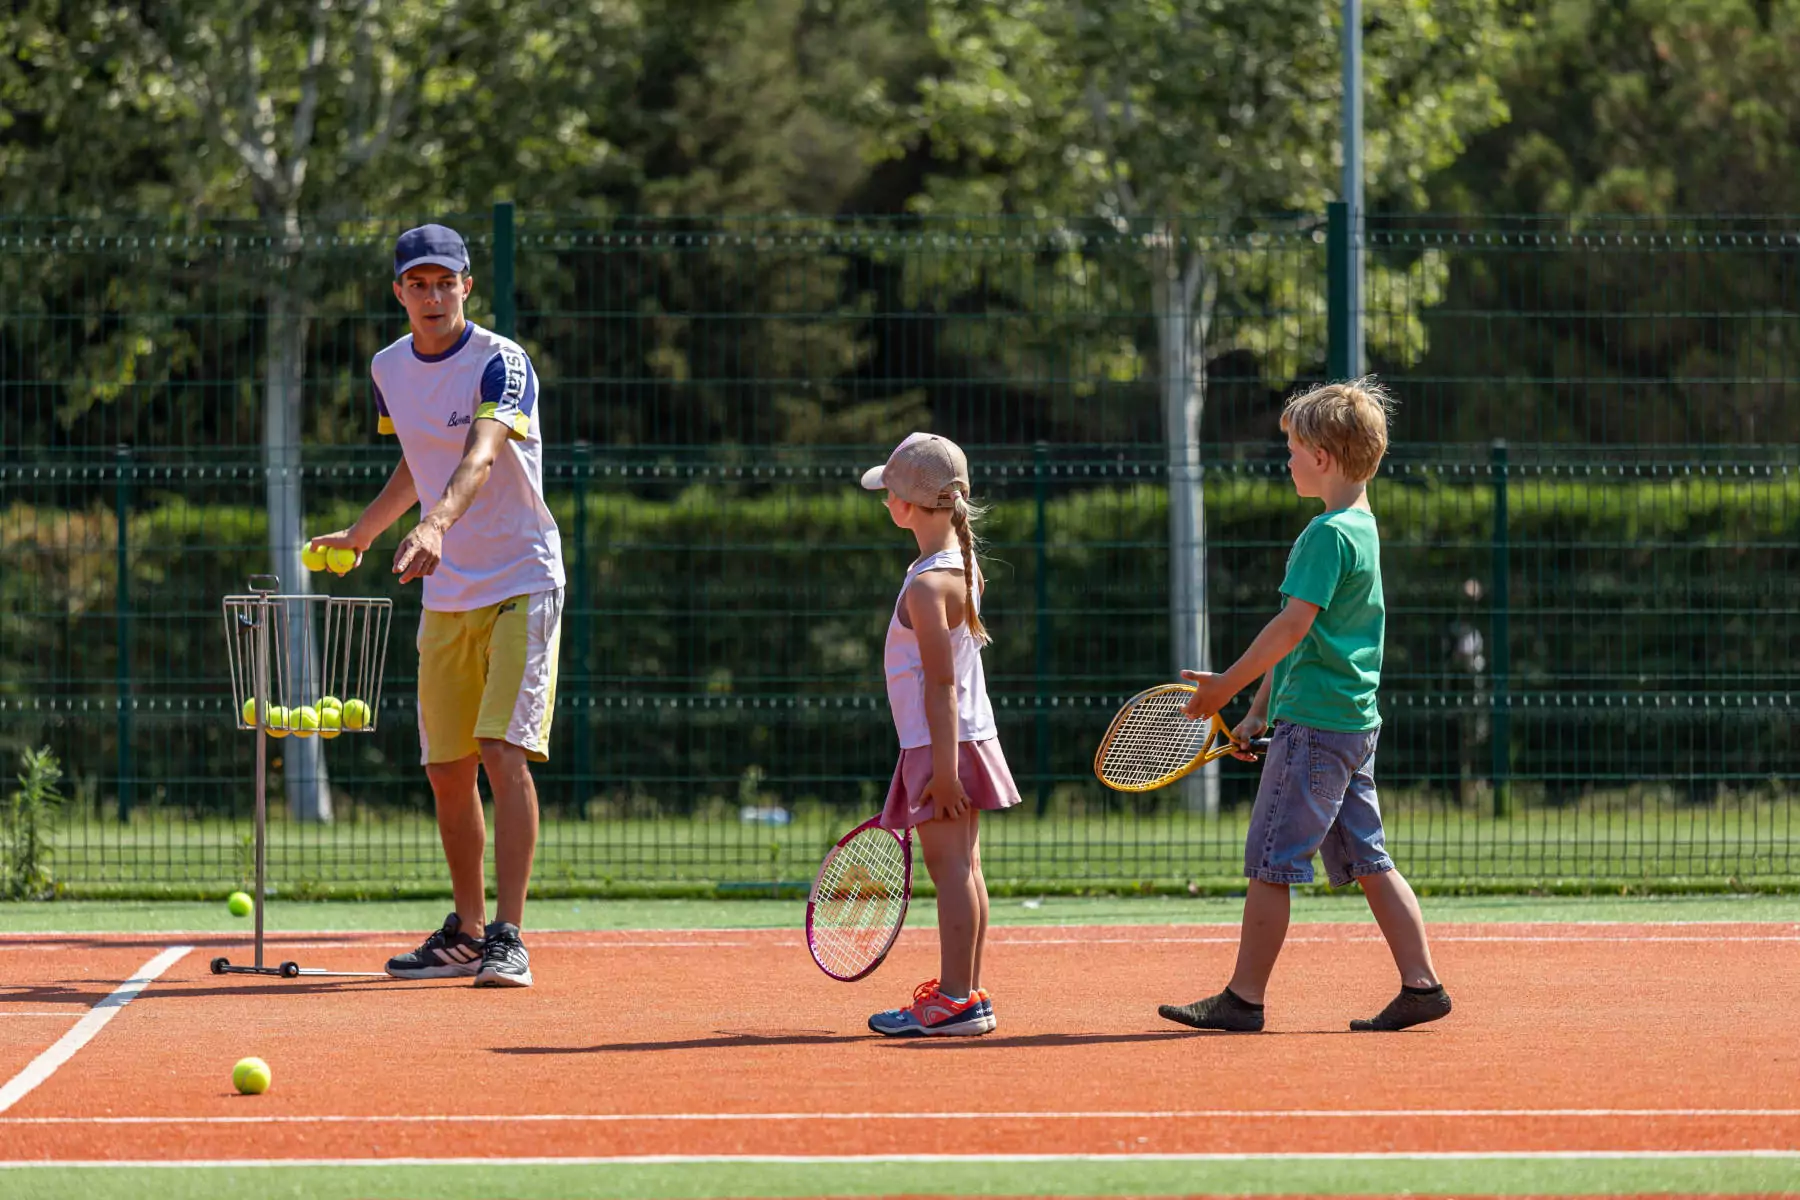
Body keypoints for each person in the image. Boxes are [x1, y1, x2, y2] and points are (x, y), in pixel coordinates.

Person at [310, 224, 564, 988]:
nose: (430, 295)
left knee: (500, 751)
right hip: (448, 596)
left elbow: (480, 453)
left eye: (443, 282)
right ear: (398, 292)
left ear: (466, 287)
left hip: (522, 578)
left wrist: (436, 524)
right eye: (416, 284)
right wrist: (362, 533)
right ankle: (467, 931)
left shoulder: (501, 362)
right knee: (446, 770)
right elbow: (416, 459)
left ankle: (509, 937)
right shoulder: (388, 368)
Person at [1158, 379, 1451, 1033]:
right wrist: (1262, 711)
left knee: (1270, 862)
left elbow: (1289, 629)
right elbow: (1303, 636)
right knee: (1371, 861)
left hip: (1318, 731)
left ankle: (1243, 999)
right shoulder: (1362, 530)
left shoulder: (1323, 535)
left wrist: (1224, 689)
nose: (1285, 459)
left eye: (1291, 448)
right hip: (1348, 725)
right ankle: (1422, 986)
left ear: (1322, 455)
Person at [860, 433, 1021, 1037]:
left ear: (906, 507)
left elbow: (941, 687)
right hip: (963, 740)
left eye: (889, 493)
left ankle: (954, 1000)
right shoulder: (959, 563)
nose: (885, 501)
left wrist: (945, 772)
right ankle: (967, 994)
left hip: (941, 745)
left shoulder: (928, 585)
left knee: (950, 870)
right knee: (966, 867)